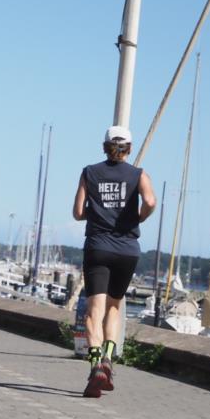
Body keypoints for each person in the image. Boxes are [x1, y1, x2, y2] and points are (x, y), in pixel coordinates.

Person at [72, 125, 156, 398]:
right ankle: (108, 358)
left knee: (93, 312)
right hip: (127, 249)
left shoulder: (89, 172)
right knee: (114, 309)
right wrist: (138, 217)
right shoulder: (138, 174)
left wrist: (96, 214)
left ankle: (96, 363)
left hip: (98, 247)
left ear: (104, 147)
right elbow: (151, 201)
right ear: (129, 149)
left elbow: (77, 212)